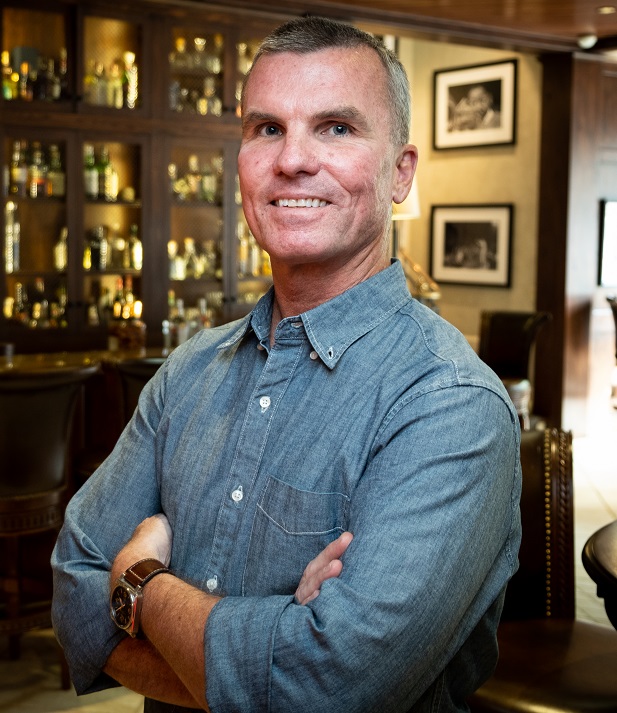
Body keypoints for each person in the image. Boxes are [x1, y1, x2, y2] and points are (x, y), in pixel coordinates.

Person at [52, 16, 521, 713]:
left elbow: (326, 688)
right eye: (267, 127)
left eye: (336, 127)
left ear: (400, 172)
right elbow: (73, 586)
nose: (292, 159)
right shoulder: (187, 372)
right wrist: (262, 652)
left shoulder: (448, 404)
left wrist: (142, 582)